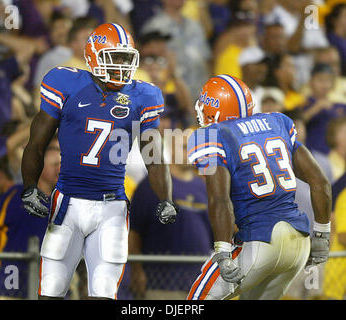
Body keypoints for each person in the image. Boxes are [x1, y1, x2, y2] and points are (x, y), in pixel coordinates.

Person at [20, 23, 178, 300]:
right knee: (50, 292)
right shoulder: (65, 82)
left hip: (112, 209)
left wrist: (166, 197)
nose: (122, 65)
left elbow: (152, 156)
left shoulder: (143, 96)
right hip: (67, 202)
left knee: (104, 294)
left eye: (126, 58)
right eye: (115, 57)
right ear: (93, 55)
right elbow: (37, 143)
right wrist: (30, 185)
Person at [186, 74, 332, 300]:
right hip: (299, 244)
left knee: (196, 301)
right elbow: (320, 181)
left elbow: (219, 199)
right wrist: (322, 235)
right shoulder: (278, 122)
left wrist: (223, 251)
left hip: (259, 242)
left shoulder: (213, 135)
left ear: (214, 110)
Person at [127, 132, 213, 300]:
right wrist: (136, 271)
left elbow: (211, 234)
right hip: (160, 287)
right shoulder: (151, 185)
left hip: (198, 286)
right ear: (171, 149)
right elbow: (134, 232)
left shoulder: (203, 187)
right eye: (185, 147)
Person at [0, 148, 59, 299]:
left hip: (51, 282)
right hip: (11, 279)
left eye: (62, 164)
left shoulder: (66, 201)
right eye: (55, 164)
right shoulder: (15, 195)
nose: (60, 169)